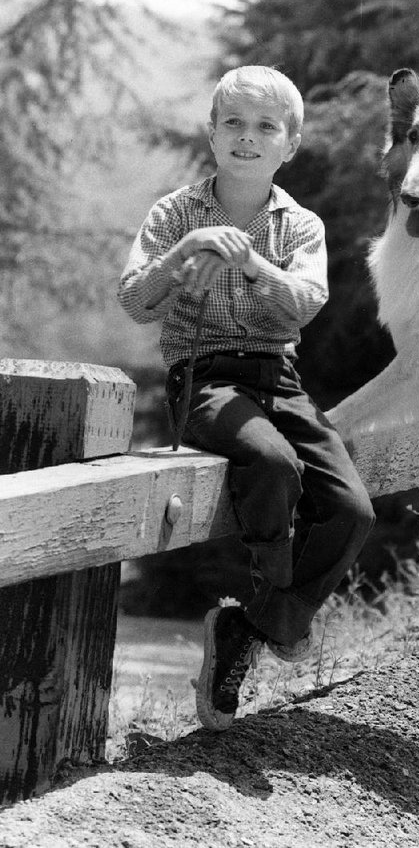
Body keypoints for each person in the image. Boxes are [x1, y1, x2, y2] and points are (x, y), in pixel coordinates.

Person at [118, 65, 375, 731]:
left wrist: (251, 262)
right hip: (204, 380)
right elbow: (135, 304)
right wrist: (187, 252)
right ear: (211, 132)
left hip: (280, 380)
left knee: (351, 509)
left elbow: (300, 311)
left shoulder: (301, 225)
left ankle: (253, 626)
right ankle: (273, 607)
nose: (246, 137)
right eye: (232, 123)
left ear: (289, 144)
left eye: (266, 127)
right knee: (273, 464)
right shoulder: (174, 214)